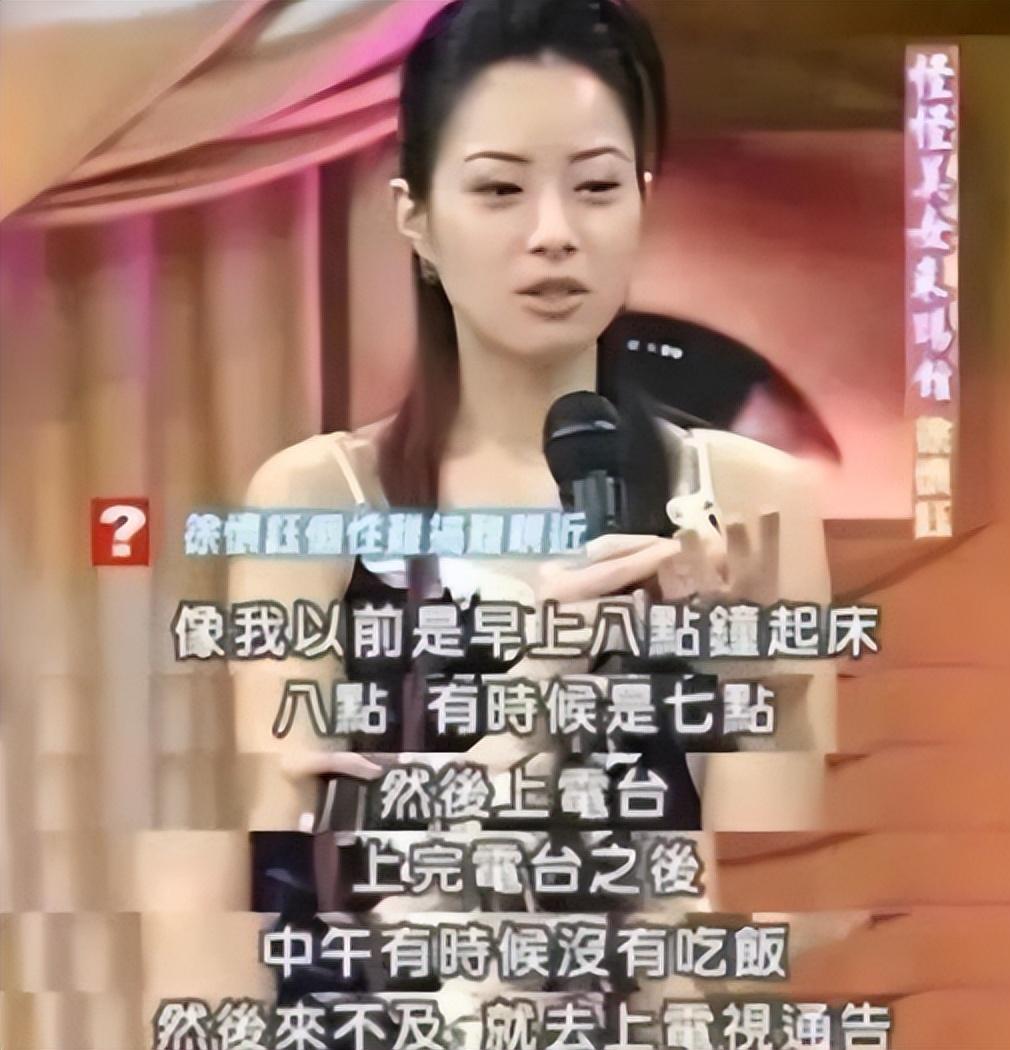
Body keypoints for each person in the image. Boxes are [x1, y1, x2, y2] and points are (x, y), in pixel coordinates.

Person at [228, 0, 834, 1023]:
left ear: (640, 202)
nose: (554, 234)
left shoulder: (752, 499)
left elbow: (755, 937)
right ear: (416, 218)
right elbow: (300, 917)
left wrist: (740, 688)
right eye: (500, 189)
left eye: (596, 187)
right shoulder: (315, 501)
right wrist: (544, 684)